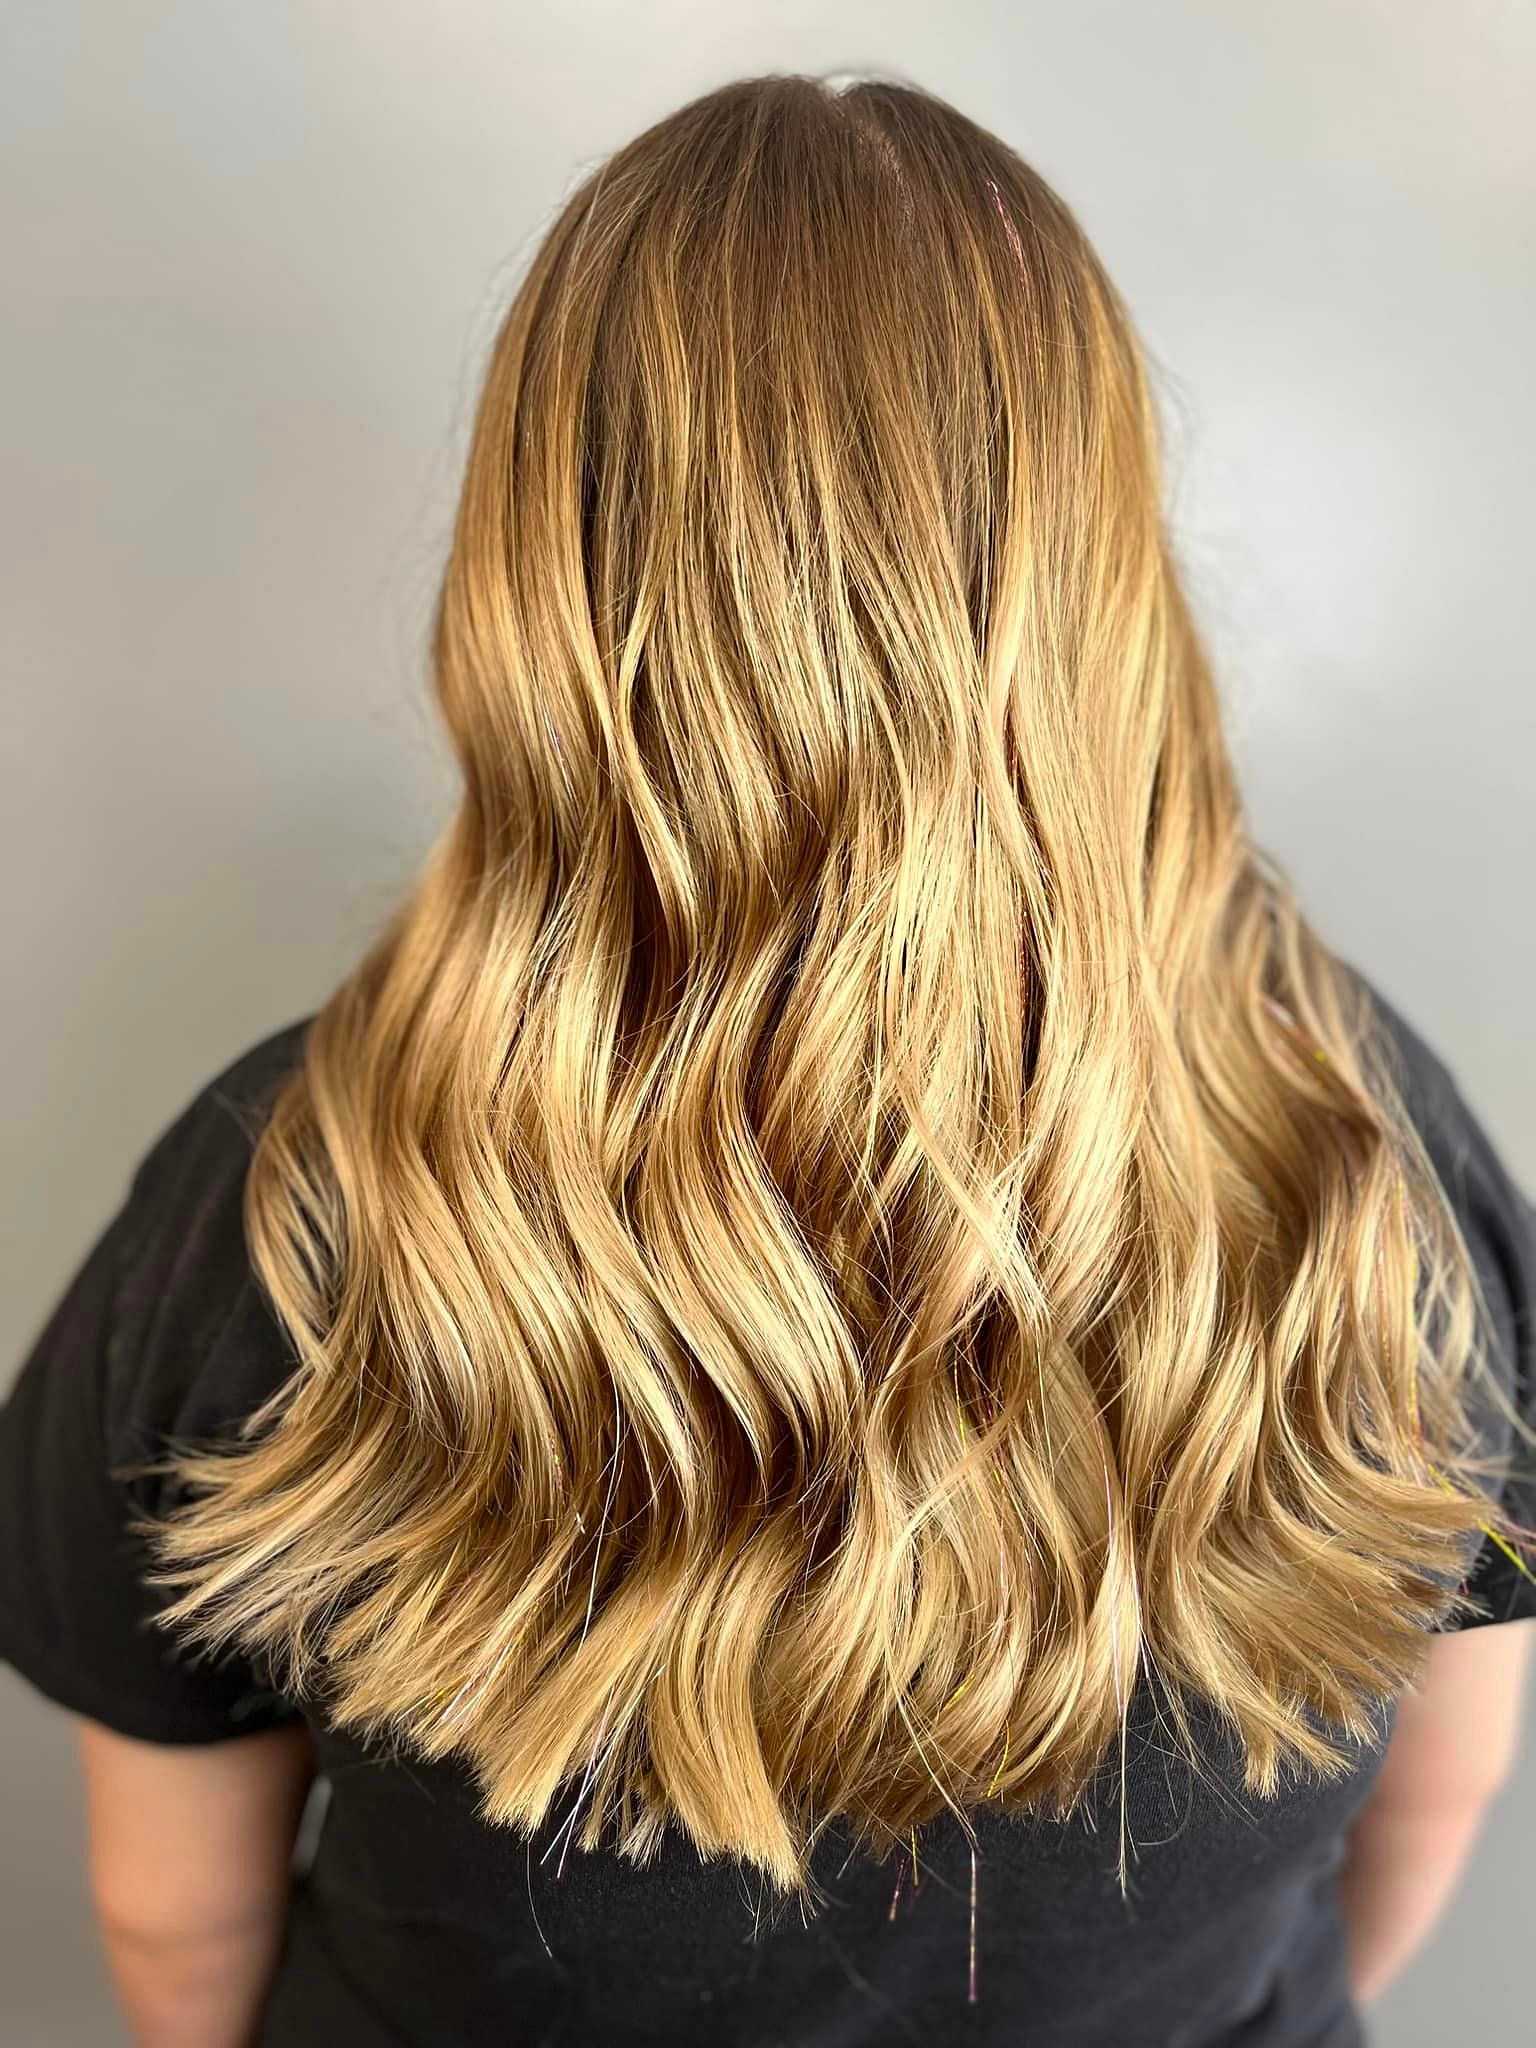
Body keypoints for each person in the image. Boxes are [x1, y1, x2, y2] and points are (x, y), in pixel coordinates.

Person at [2, 71, 1533, 2048]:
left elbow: (172, 1928)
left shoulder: (292, 1197)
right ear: (1081, 568)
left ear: (550, 571)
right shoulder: (1349, 1141)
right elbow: (1442, 1787)